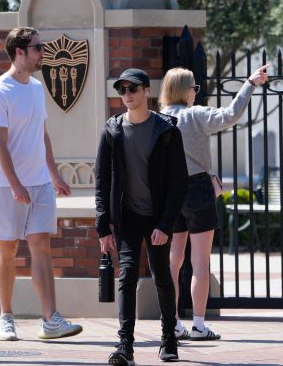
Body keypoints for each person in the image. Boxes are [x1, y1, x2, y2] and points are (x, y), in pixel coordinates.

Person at [0, 27, 82, 341]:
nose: (43, 53)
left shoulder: (37, 88)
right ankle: (6, 317)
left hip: (38, 183)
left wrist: (53, 175)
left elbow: (42, 135)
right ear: (19, 52)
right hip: (5, 185)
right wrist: (15, 184)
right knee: (8, 249)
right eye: (38, 48)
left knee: (42, 247)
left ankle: (50, 319)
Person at [159, 64, 269, 341]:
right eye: (194, 87)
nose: (196, 92)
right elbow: (230, 115)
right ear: (185, 90)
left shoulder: (157, 120)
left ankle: (171, 323)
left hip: (169, 193)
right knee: (199, 262)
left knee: (173, 262)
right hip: (197, 188)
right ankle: (198, 323)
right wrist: (250, 84)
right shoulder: (195, 115)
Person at [95, 68, 189, 364]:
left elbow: (179, 181)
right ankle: (125, 346)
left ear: (147, 90)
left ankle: (169, 338)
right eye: (122, 90)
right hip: (127, 217)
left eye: (133, 89)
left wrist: (165, 224)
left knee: (162, 275)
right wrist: (103, 226)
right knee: (127, 274)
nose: (127, 95)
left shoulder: (166, 131)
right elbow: (102, 180)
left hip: (157, 216)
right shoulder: (112, 131)